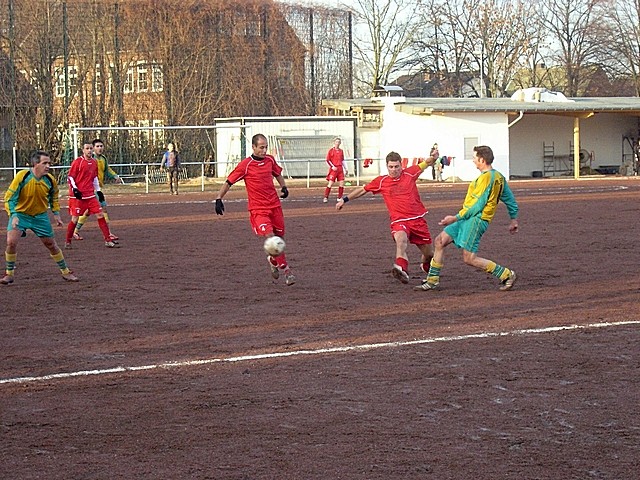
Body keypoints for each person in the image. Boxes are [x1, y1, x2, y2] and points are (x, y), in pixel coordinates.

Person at [415, 145, 519, 292]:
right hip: (467, 218)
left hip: (475, 220)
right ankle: (432, 280)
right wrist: (514, 219)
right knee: (440, 241)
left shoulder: (487, 179)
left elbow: (478, 205)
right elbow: (510, 199)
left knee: (469, 258)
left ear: (482, 160)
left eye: (474, 158)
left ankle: (506, 274)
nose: (473, 161)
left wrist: (455, 217)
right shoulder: (498, 177)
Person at [336, 151, 434, 284]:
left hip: (418, 220)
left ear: (401, 166)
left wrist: (434, 156)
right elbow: (363, 190)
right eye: (391, 167)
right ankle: (402, 269)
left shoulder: (410, 173)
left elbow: (427, 163)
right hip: (399, 221)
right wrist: (344, 199)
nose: (394, 170)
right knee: (401, 241)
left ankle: (426, 266)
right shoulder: (382, 181)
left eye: (396, 167)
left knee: (429, 255)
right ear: (387, 166)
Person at [214, 133, 296, 286]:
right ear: (253, 147)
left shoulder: (270, 160)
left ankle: (273, 260)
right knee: (272, 238)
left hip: (275, 206)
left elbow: (277, 173)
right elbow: (228, 182)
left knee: (280, 240)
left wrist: (284, 187)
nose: (264, 151)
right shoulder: (246, 165)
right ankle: (287, 271)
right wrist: (219, 198)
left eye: (265, 147)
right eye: (261, 147)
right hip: (258, 210)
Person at [2, 150, 79, 284]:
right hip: (20, 215)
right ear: (35, 164)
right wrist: (13, 214)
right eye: (45, 163)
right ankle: (9, 274)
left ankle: (66, 272)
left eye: (49, 163)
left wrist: (56, 214)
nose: (48, 166)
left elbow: (54, 197)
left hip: (40, 217)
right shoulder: (23, 176)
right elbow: (9, 198)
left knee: (51, 245)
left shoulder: (50, 180)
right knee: (11, 242)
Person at [64, 142, 119, 249]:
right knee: (75, 219)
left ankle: (108, 240)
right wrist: (75, 189)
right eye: (87, 148)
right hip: (78, 196)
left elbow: (94, 178)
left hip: (90, 195)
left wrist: (98, 191)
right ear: (83, 150)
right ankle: (68, 241)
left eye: (90, 148)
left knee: (100, 214)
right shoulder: (78, 162)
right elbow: (70, 177)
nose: (89, 150)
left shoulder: (94, 162)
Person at [323, 137, 348, 203]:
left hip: (340, 169)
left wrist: (346, 168)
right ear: (334, 143)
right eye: (336, 142)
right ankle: (326, 197)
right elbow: (328, 160)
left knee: (342, 183)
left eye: (339, 142)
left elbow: (342, 160)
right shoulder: (331, 150)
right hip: (334, 169)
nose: (337, 143)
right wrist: (332, 167)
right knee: (330, 183)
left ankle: (339, 197)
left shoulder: (341, 151)